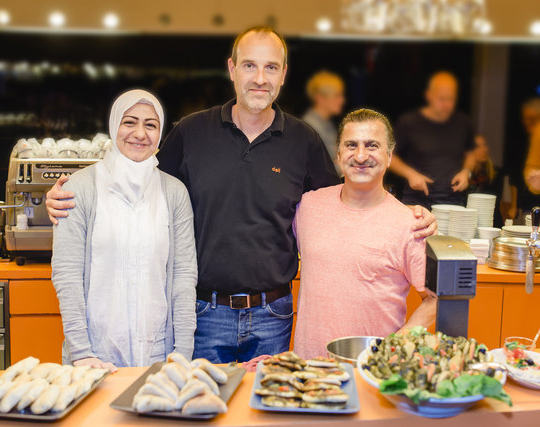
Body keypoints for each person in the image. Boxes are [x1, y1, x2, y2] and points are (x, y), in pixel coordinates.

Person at [45, 27, 438, 364]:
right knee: (201, 413)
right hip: (201, 313)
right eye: (249, 65)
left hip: (274, 316)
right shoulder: (191, 133)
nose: (260, 78)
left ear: (283, 75)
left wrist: (407, 215)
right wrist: (71, 195)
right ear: (232, 69)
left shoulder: (304, 141)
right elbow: (140, 180)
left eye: (271, 67)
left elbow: (345, 202)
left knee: (267, 413)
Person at [51, 89, 197, 370]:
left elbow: (183, 276)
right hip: (94, 355)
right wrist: (81, 353)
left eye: (150, 125)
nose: (140, 134)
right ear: (114, 125)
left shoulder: (174, 192)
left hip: (158, 355)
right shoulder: (78, 189)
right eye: (129, 122)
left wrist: (182, 354)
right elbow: (66, 274)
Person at [293, 109, 437, 357]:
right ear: (338, 155)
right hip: (311, 368)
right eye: (351, 145)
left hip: (371, 370)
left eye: (372, 145)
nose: (360, 156)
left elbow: (437, 299)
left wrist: (396, 345)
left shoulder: (409, 224)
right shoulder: (307, 207)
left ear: (389, 156)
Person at [389, 71, 476, 209]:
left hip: (453, 205)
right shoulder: (409, 122)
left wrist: (466, 172)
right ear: (429, 95)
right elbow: (389, 157)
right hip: (416, 204)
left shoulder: (463, 123)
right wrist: (410, 174)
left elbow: (471, 153)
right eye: (441, 99)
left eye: (451, 99)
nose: (447, 104)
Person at [303, 71, 346, 178]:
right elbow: (323, 168)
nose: (342, 100)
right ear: (320, 98)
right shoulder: (310, 126)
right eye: (337, 96)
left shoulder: (327, 123)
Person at [508, 98, 540, 220]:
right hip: (526, 205)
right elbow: (514, 177)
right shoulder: (522, 143)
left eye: (532, 119)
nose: (527, 122)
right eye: (525, 118)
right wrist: (513, 205)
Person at [468, 135, 504, 227]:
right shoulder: (463, 176)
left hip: (491, 225)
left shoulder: (495, 174)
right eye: (478, 146)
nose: (484, 149)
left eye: (485, 145)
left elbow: (495, 207)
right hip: (467, 223)